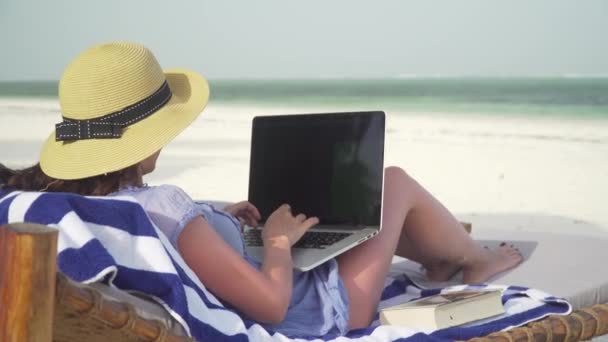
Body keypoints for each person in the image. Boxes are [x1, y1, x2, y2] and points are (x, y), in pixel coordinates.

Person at [0, 42, 522, 337]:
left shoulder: (86, 210)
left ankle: (445, 259)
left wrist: (219, 221)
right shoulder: (164, 209)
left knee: (348, 221)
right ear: (146, 140)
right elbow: (272, 306)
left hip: (255, 272)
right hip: (326, 310)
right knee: (393, 184)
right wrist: (274, 243)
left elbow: (179, 250)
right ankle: (474, 260)